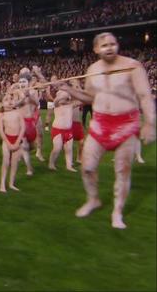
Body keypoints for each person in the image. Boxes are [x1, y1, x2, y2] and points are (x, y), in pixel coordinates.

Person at [59, 32, 155, 229]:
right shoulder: (92, 70)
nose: (109, 47)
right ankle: (93, 199)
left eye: (113, 44)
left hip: (126, 124)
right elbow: (90, 98)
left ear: (117, 45)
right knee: (87, 167)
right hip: (100, 123)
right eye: (104, 45)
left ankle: (117, 212)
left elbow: (145, 96)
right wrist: (70, 90)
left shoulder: (132, 66)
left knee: (122, 170)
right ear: (96, 49)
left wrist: (150, 123)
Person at [0, 92, 25, 193]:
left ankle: (11, 183)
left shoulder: (18, 112)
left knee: (14, 163)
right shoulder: (1, 114)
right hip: (7, 140)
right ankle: (2, 184)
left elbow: (23, 128)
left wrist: (18, 141)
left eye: (11, 99)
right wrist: (8, 143)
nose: (9, 101)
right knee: (6, 162)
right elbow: (1, 130)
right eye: (6, 100)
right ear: (1, 104)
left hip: (17, 139)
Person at [48, 89, 77, 172]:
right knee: (57, 148)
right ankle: (51, 163)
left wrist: (72, 91)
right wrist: (64, 93)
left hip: (68, 131)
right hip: (58, 130)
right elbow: (55, 101)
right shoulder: (57, 104)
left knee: (69, 149)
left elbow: (81, 100)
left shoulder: (71, 105)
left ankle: (69, 166)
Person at [69, 79, 86, 164]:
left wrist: (77, 84)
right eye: (74, 86)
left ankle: (78, 158)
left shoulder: (79, 98)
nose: (76, 87)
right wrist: (74, 84)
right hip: (69, 123)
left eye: (77, 86)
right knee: (69, 144)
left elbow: (84, 95)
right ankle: (69, 160)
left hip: (78, 124)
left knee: (82, 142)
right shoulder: (69, 96)